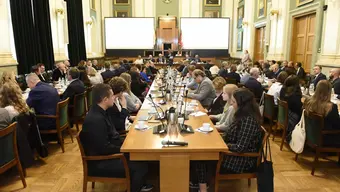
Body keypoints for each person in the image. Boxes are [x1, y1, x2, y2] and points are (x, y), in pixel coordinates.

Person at [79, 84, 153, 192]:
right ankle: (135, 187)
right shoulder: (96, 120)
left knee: (141, 156)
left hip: (107, 153)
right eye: (112, 95)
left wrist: (128, 145)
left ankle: (139, 184)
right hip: (101, 163)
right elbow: (104, 148)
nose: (114, 97)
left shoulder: (101, 111)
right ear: (105, 99)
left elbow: (112, 137)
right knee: (140, 164)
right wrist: (125, 148)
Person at [195, 89, 262, 192]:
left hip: (241, 160)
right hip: (232, 151)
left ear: (242, 104)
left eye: (234, 102)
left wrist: (220, 145)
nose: (231, 103)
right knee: (201, 152)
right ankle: (200, 183)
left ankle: (203, 188)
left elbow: (240, 147)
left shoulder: (248, 120)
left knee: (201, 158)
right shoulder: (242, 116)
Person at [304, 80, 340, 146]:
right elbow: (337, 124)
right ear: (329, 91)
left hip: (310, 135)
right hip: (325, 139)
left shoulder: (308, 101)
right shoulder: (331, 107)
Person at [279, 75, 303, 142]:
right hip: (291, 115)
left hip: (285, 114)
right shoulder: (295, 94)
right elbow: (298, 107)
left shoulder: (283, 89)